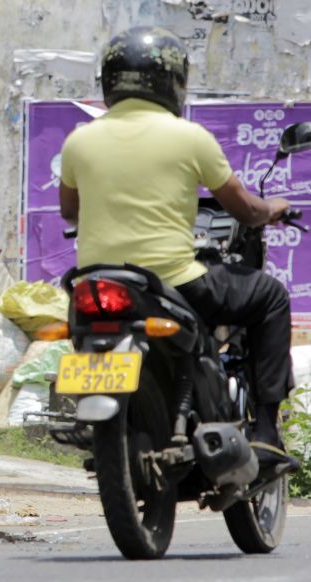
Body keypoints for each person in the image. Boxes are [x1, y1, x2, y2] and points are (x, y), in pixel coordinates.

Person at [58, 26, 299, 478]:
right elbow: (244, 210)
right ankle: (266, 429)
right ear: (172, 81)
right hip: (176, 279)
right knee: (270, 297)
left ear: (109, 80)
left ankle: (98, 416)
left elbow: (70, 212)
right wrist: (273, 210)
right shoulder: (190, 137)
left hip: (95, 281)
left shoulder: (79, 141)